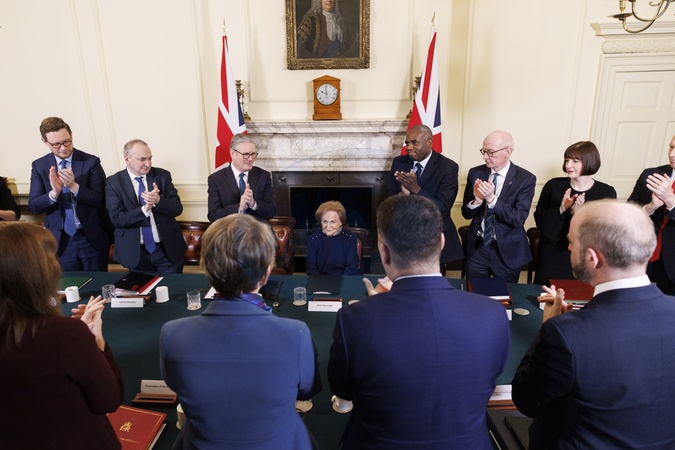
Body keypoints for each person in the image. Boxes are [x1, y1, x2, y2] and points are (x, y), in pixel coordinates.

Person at [328, 195, 510, 449]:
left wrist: (376, 308)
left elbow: (343, 391)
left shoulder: (354, 319)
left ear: (384, 252)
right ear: (442, 243)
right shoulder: (494, 314)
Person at [512, 200, 675, 449]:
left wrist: (549, 325)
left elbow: (526, 401)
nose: (569, 246)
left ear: (591, 258)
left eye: (572, 242)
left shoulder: (565, 333)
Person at [160, 214, 322, 449]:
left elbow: (176, 384)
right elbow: (307, 391)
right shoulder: (295, 334)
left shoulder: (172, 334)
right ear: (265, 275)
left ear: (207, 270)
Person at [0, 222, 123, 449]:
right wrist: (95, 339)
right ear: (41, 273)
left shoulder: (66, 334)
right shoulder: (66, 334)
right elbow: (108, 400)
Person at [28, 117, 110, 271]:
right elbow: (34, 206)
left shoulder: (91, 162)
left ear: (71, 135)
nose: (63, 148)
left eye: (67, 141)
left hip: (91, 238)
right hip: (61, 241)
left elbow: (101, 200)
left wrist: (74, 187)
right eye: (56, 144)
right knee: (69, 285)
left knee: (99, 282)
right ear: (45, 141)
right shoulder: (39, 166)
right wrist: (54, 193)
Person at [533, 141, 616, 285]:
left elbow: (605, 231)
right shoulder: (553, 185)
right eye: (567, 160)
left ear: (590, 161)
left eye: (575, 161)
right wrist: (562, 209)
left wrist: (581, 213)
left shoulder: (606, 192)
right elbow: (540, 222)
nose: (568, 165)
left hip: (585, 258)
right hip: (552, 256)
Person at [461, 130, 536, 282]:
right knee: (474, 291)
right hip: (478, 248)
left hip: (507, 250)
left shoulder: (525, 179)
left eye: (490, 152)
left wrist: (492, 199)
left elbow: (518, 218)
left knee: (504, 294)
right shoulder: (476, 173)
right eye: (483, 151)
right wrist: (477, 201)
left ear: (508, 151)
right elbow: (466, 213)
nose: (485, 156)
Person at [106, 139, 186, 274]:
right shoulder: (113, 182)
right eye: (142, 159)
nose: (148, 164)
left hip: (166, 250)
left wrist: (158, 200)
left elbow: (177, 209)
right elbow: (117, 219)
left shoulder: (162, 176)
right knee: (142, 288)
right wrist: (145, 209)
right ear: (127, 159)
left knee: (172, 287)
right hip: (136, 253)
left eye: (150, 158)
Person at [388, 124, 464, 268]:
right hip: (404, 236)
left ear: (429, 142)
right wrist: (403, 194)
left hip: (434, 237)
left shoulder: (447, 167)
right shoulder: (399, 162)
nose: (409, 147)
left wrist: (415, 189)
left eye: (414, 142)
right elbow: (389, 199)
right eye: (407, 143)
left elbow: (442, 208)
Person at [627, 134, 675, 295]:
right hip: (640, 261)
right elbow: (627, 214)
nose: (672, 154)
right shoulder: (650, 175)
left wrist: (671, 202)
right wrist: (650, 208)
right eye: (671, 147)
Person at [207, 134, 276, 222]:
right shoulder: (216, 179)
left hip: (258, 229)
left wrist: (253, 203)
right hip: (230, 230)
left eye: (253, 154)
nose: (250, 159)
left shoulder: (263, 176)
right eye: (246, 154)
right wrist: (239, 207)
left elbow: (272, 211)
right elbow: (213, 215)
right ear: (233, 153)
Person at [307, 200, 359, 275]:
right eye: (325, 221)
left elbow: (351, 269)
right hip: (320, 280)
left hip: (343, 279)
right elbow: (311, 269)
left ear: (341, 222)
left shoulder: (350, 238)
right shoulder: (313, 239)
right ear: (320, 221)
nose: (328, 226)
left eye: (332, 222)